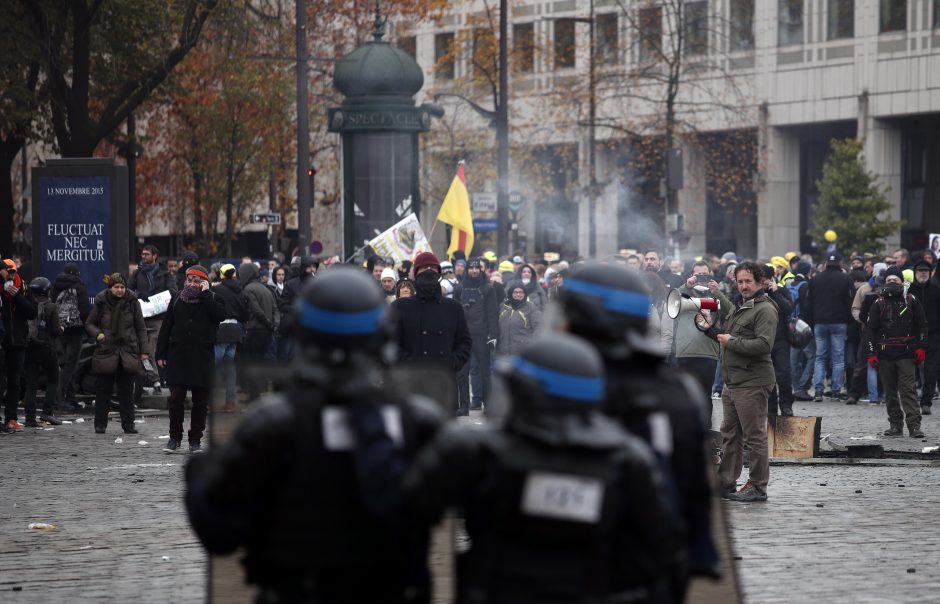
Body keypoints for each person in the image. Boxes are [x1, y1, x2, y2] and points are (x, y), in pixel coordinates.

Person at [185, 268, 445, 603]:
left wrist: (200, 476)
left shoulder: (271, 423)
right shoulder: (419, 422)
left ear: (303, 334)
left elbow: (220, 533)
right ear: (382, 337)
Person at [397, 333, 677, 603]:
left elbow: (405, 511)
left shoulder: (478, 451)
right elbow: (657, 549)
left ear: (525, 392)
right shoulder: (627, 461)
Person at [553, 262, 719, 598]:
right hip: (652, 564)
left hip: (571, 566)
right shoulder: (676, 391)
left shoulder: (560, 385)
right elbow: (695, 490)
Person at [714, 261, 778, 502]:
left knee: (754, 436)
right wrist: (710, 329)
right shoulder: (741, 306)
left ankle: (758, 486)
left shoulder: (765, 309)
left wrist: (732, 342)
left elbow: (763, 345)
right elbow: (728, 336)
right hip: (734, 381)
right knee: (730, 434)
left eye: (748, 281)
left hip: (753, 381)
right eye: (740, 282)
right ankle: (725, 482)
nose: (743, 286)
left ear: (760, 282)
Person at [156, 265, 227, 453]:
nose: (193, 283)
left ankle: (195, 439)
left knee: (200, 401)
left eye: (197, 280)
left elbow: (219, 316)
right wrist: (161, 353)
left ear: (205, 282)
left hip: (202, 356)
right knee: (176, 398)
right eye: (190, 279)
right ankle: (174, 437)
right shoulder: (178, 298)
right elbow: (166, 327)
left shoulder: (213, 298)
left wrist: (205, 294)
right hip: (178, 354)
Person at [391, 252, 472, 413]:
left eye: (433, 271)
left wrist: (452, 362)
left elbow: (464, 342)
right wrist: (409, 364)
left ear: (439, 275)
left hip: (443, 387)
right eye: (423, 271)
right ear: (415, 275)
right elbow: (391, 344)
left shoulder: (453, 308)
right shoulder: (401, 308)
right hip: (410, 388)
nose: (428, 274)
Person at [867, 266, 927, 438]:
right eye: (889, 280)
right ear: (884, 282)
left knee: (908, 390)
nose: (892, 282)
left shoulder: (911, 300)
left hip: (906, 354)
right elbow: (870, 330)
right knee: (890, 393)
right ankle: (895, 425)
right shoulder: (878, 304)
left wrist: (922, 346)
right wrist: (871, 353)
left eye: (895, 279)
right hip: (885, 356)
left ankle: (914, 426)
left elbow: (922, 324)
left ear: (902, 281)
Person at [671, 260, 732, 425]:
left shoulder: (716, 293)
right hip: (685, 352)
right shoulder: (684, 291)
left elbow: (731, 311)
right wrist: (687, 285)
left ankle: (706, 433)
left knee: (705, 396)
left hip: (708, 352)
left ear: (711, 274)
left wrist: (716, 292)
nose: (701, 277)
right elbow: (672, 301)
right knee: (685, 396)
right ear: (691, 275)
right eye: (697, 274)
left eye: (705, 274)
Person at [86, 273, 148, 434]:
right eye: (116, 287)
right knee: (103, 390)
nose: (120, 290)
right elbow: (89, 323)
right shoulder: (101, 301)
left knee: (127, 391)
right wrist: (99, 336)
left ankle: (129, 424)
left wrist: (144, 351)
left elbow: (140, 327)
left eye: (122, 287)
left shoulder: (132, 302)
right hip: (106, 350)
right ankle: (100, 424)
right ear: (110, 288)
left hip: (128, 350)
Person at [128, 244, 177, 399]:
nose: (144, 257)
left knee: (149, 351)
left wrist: (155, 297)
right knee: (141, 352)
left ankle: (154, 380)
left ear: (155, 256)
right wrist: (138, 296)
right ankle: (150, 380)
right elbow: (128, 291)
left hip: (158, 319)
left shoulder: (164, 274)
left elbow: (173, 292)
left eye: (147, 254)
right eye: (142, 254)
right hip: (141, 318)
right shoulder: (137, 274)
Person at [805, 253, 854, 401]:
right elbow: (850, 302)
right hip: (839, 323)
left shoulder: (815, 279)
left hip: (820, 323)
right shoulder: (846, 278)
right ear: (840, 263)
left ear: (826, 263)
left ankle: (818, 391)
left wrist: (812, 321)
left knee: (820, 357)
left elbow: (809, 303)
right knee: (838, 358)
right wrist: (849, 321)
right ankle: (835, 391)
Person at [453, 257, 499, 414]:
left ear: (481, 270)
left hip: (482, 336)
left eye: (477, 268)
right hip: (464, 337)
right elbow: (456, 315)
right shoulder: (459, 288)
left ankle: (488, 406)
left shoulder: (488, 288)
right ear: (467, 270)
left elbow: (493, 313)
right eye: (471, 268)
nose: (474, 270)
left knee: (485, 372)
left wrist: (493, 334)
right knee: (461, 373)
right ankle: (464, 406)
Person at [1, 259, 38, 432]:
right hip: (3, 341)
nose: (11, 274)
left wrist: (16, 295)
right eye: (8, 271)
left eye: (13, 271)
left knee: (15, 381)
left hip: (19, 341)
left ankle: (11, 418)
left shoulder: (23, 287)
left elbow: (32, 312)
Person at [23, 277, 64, 427]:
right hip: (46, 348)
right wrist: (61, 330)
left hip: (28, 348)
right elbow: (55, 330)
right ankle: (47, 412)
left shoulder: (26, 304)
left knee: (31, 384)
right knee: (53, 379)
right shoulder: (50, 306)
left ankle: (29, 417)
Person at [49, 262, 90, 408]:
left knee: (63, 364)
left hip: (58, 330)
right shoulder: (79, 286)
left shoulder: (55, 286)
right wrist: (88, 328)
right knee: (71, 366)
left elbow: (51, 305)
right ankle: (59, 398)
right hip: (75, 331)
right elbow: (84, 310)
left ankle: (70, 397)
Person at [211, 264, 250, 413]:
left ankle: (210, 402)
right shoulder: (241, 291)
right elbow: (246, 314)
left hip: (221, 331)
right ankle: (230, 403)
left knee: (213, 367)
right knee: (230, 368)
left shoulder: (216, 289)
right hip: (235, 331)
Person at [238, 261, 279, 399]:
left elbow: (256, 310)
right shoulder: (265, 289)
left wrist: (268, 324)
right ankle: (259, 391)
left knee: (251, 362)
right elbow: (275, 309)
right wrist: (273, 325)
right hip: (266, 331)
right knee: (260, 361)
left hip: (255, 330)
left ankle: (254, 395)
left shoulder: (248, 289)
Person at [908, 259, 940, 415]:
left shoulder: (936, 290)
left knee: (931, 369)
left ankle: (926, 402)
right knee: (910, 369)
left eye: (925, 271)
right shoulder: (909, 291)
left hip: (933, 335)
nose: (923, 273)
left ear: (930, 273)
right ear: (915, 273)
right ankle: (911, 401)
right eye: (920, 271)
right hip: (912, 335)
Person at [762, 264, 794, 419]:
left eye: (766, 280)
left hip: (781, 339)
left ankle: (786, 405)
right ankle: (771, 408)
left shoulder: (781, 291)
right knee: (768, 378)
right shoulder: (756, 293)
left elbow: (788, 309)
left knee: (784, 374)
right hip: (763, 340)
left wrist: (775, 293)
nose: (763, 283)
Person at [495, 281, 540, 356]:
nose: (518, 294)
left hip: (523, 352)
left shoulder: (531, 308)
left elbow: (538, 327)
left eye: (521, 292)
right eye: (515, 292)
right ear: (510, 294)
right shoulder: (503, 307)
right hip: (503, 352)